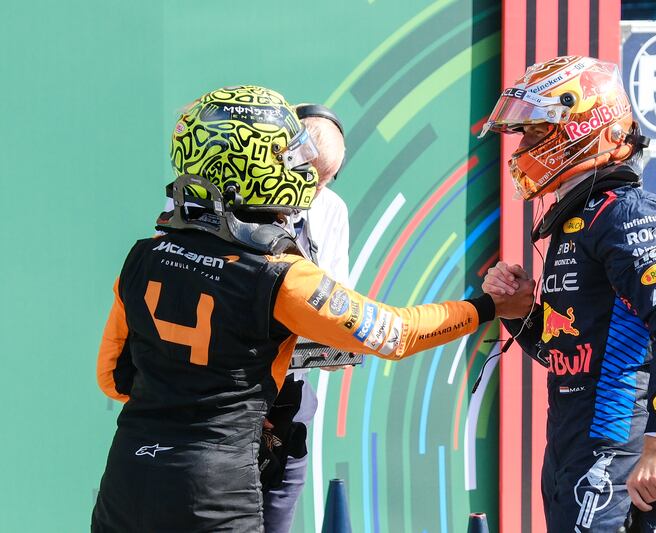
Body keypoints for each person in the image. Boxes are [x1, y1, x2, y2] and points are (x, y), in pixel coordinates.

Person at [91, 85, 533, 532]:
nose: (301, 170)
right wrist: (488, 306)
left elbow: (113, 378)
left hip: (127, 477)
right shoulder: (281, 276)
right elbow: (394, 334)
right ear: (259, 166)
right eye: (291, 157)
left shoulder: (143, 255)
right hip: (212, 489)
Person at [479, 56, 656, 532]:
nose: (523, 146)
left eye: (535, 132)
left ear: (587, 125)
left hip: (613, 446)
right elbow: (565, 352)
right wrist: (521, 310)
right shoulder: (577, 219)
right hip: (570, 441)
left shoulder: (624, 213)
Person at [260, 103, 350, 533]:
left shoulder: (330, 210)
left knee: (278, 511)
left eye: (325, 181)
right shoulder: (231, 203)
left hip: (289, 396)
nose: (314, 192)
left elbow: (337, 302)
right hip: (232, 394)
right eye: (310, 178)